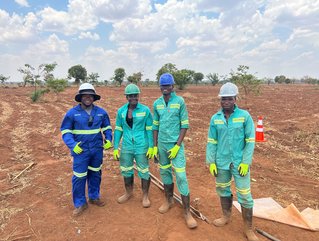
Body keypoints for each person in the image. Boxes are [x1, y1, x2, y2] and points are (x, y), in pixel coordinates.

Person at [206, 82, 258, 241]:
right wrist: (211, 161)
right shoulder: (215, 119)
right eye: (223, 99)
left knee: (245, 194)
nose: (225, 102)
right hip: (221, 162)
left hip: (239, 163)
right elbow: (211, 141)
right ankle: (226, 216)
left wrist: (246, 161)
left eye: (229, 99)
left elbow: (250, 140)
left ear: (235, 99)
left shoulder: (244, 116)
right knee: (222, 189)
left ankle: (248, 229)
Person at [151, 73, 197, 229]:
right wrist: (155, 146)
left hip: (175, 146)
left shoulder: (179, 102)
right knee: (164, 172)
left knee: (181, 176)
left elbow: (184, 125)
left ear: (172, 86)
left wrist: (177, 145)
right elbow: (155, 126)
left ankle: (187, 212)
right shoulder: (156, 104)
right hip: (162, 145)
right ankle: (169, 200)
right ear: (160, 87)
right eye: (162, 86)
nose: (165, 88)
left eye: (168, 86)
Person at [60, 83, 112, 216]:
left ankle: (94, 197)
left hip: (96, 150)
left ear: (94, 97)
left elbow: (107, 127)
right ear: (80, 97)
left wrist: (109, 139)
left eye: (90, 95)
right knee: (79, 177)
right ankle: (80, 203)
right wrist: (72, 145)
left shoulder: (101, 112)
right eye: (85, 95)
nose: (88, 98)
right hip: (81, 151)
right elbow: (66, 131)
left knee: (95, 173)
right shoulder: (72, 113)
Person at [113, 84, 153, 208]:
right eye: (130, 96)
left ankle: (145, 195)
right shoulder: (121, 111)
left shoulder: (145, 110)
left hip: (142, 145)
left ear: (138, 96)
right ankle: (128, 193)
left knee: (144, 171)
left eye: (135, 95)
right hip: (127, 145)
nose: (133, 98)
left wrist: (151, 146)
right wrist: (115, 148)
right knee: (126, 169)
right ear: (127, 97)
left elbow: (150, 129)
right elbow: (119, 129)